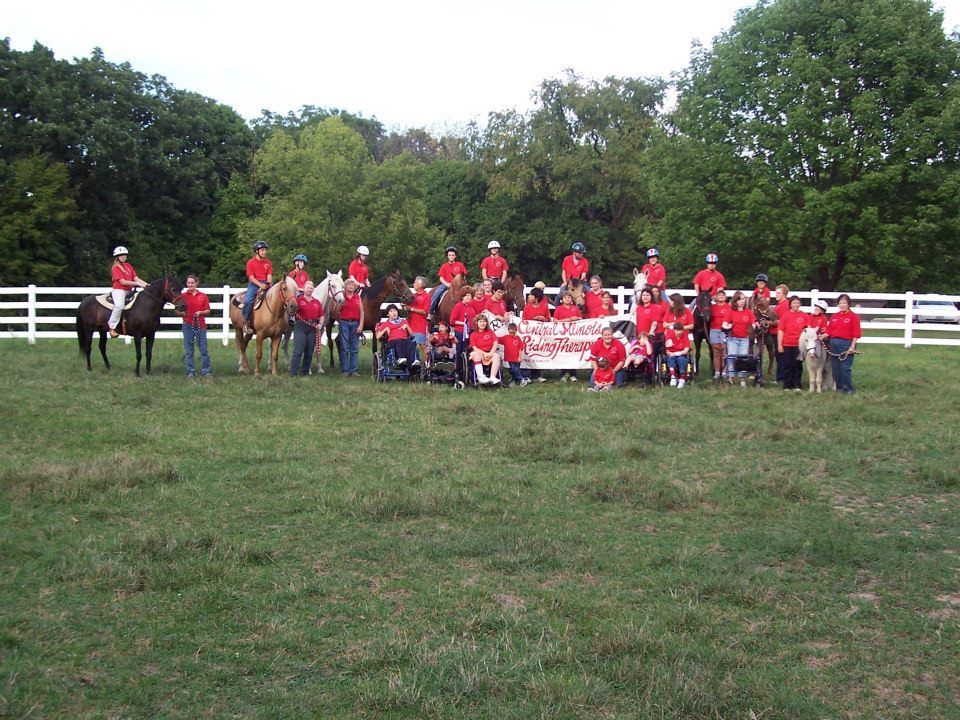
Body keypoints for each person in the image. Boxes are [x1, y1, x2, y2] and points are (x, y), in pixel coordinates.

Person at [822, 293, 861, 394]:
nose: (842, 305)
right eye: (840, 303)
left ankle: (848, 388)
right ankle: (839, 388)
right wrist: (821, 336)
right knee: (835, 368)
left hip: (846, 343)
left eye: (844, 303)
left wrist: (852, 346)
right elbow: (829, 331)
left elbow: (856, 333)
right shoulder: (835, 316)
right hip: (834, 343)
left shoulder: (853, 317)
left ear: (848, 304)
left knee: (845, 368)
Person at [107, 245, 148, 338]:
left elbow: (136, 278)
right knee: (119, 306)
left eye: (124, 255)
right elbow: (123, 282)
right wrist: (137, 284)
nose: (123, 256)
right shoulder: (115, 268)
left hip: (129, 291)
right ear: (117, 257)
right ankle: (112, 327)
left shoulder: (128, 266)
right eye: (121, 255)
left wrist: (147, 285)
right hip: (119, 290)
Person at [177, 274, 211, 378]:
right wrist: (182, 314)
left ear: (196, 283)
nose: (190, 284)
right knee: (189, 350)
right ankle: (190, 371)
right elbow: (177, 310)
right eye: (188, 283)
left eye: (192, 282)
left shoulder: (203, 296)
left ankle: (206, 371)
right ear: (186, 284)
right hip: (187, 325)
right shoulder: (182, 296)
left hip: (200, 325)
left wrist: (201, 312)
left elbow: (208, 310)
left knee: (203, 349)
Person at [290, 280, 324, 376]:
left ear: (313, 290)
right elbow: (291, 309)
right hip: (301, 325)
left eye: (311, 288)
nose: (309, 289)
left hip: (312, 327)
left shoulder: (316, 302)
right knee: (298, 350)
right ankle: (293, 372)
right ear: (303, 289)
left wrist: (320, 324)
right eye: (307, 288)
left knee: (309, 351)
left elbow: (321, 315)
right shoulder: (298, 300)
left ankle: (305, 372)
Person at [724, 291, 756, 386]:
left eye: (743, 299)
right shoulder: (731, 312)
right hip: (733, 338)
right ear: (735, 301)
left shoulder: (748, 312)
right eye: (739, 299)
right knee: (731, 358)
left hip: (744, 339)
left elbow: (754, 323)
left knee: (743, 359)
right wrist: (728, 326)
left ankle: (742, 379)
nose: (742, 301)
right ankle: (731, 377)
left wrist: (757, 327)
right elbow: (724, 324)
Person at [778, 295, 808, 391]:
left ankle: (797, 385)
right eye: (794, 303)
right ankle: (787, 385)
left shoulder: (804, 316)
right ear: (790, 304)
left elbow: (808, 329)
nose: (796, 305)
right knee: (787, 365)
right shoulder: (785, 315)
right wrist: (779, 344)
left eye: (798, 303)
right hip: (787, 344)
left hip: (799, 345)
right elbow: (780, 330)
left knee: (797, 365)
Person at [243, 241, 273, 335]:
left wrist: (268, 283)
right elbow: (251, 277)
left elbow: (269, 274)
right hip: (254, 284)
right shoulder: (250, 263)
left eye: (265, 250)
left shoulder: (268, 263)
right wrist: (260, 285)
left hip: (265, 283)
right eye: (262, 250)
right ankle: (246, 322)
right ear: (257, 251)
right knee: (248, 301)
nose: (264, 252)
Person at [429, 246, 468, 318]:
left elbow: (464, 276)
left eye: (453, 255)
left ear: (455, 256)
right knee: (437, 293)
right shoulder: (444, 266)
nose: (451, 256)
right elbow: (441, 278)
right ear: (447, 256)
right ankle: (431, 311)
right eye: (450, 255)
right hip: (446, 284)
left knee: (468, 293)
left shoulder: (460, 265)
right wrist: (446, 284)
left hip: (458, 285)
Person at [337, 278, 365, 377]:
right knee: (344, 348)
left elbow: (361, 311)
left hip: (355, 323)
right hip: (344, 323)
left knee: (354, 348)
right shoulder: (342, 296)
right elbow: (336, 310)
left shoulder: (357, 297)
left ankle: (354, 370)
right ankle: (345, 370)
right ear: (345, 286)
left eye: (353, 285)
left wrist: (361, 325)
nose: (351, 286)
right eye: (349, 285)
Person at [469, 314, 501, 385]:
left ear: (486, 323)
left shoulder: (490, 332)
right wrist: (484, 353)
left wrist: (491, 353)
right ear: (476, 323)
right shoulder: (473, 334)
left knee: (496, 356)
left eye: (484, 321)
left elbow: (495, 342)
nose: (482, 323)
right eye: (480, 321)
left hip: (489, 352)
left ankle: (492, 377)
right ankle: (481, 377)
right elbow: (474, 348)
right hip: (479, 352)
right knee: (476, 354)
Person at [404, 276, 431, 362]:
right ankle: (413, 363)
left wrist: (411, 309)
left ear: (421, 285)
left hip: (420, 325)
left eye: (416, 283)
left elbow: (424, 311)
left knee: (423, 346)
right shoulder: (413, 296)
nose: (413, 284)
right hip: (410, 324)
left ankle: (427, 366)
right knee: (411, 346)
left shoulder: (426, 296)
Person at [708, 289, 732, 380]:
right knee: (716, 353)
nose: (721, 297)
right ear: (716, 297)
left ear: (725, 297)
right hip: (713, 330)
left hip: (724, 331)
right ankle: (717, 372)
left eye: (723, 295)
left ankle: (725, 372)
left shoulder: (728, 307)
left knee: (724, 352)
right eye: (719, 295)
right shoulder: (712, 307)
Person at [635, 288, 664, 357]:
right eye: (643, 295)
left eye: (647, 295)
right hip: (638, 335)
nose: (645, 297)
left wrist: (650, 333)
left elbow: (654, 322)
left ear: (651, 297)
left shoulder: (655, 307)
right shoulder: (638, 307)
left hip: (648, 335)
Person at [664, 321, 691, 387]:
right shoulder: (670, 334)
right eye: (677, 330)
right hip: (671, 354)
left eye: (681, 330)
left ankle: (682, 378)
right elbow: (666, 347)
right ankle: (673, 377)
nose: (679, 332)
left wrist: (676, 353)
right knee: (671, 359)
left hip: (681, 354)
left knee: (681, 360)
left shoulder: (685, 336)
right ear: (674, 330)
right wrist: (668, 342)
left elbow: (686, 350)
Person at [773, 284, 790, 381]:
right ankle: (780, 376)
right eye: (776, 293)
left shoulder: (784, 305)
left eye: (779, 293)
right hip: (775, 332)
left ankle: (781, 377)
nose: (777, 295)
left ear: (784, 294)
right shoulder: (779, 305)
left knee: (781, 356)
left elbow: (782, 321)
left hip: (780, 333)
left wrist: (770, 323)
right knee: (779, 356)